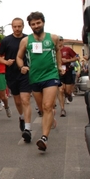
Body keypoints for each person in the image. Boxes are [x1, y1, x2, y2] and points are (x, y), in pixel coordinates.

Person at [16, 11, 64, 151]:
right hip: (35, 77)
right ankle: (50, 119)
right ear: (30, 26)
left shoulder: (53, 38)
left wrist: (60, 66)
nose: (36, 25)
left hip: (51, 75)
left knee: (48, 106)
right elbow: (19, 57)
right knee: (43, 109)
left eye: (38, 23)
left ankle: (44, 138)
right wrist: (22, 66)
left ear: (43, 22)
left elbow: (57, 51)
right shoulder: (26, 41)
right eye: (33, 24)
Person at [0, 18, 33, 142]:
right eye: (14, 26)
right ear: (12, 27)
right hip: (11, 74)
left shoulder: (28, 39)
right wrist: (6, 62)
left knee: (25, 99)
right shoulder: (6, 40)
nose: (17, 29)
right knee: (18, 102)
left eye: (19, 26)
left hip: (25, 73)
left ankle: (27, 128)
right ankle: (22, 117)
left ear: (23, 26)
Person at [57, 36, 77, 116]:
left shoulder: (67, 49)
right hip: (59, 72)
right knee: (61, 90)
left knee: (67, 91)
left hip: (68, 71)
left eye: (60, 40)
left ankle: (68, 95)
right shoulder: (54, 50)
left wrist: (68, 60)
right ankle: (62, 109)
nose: (59, 42)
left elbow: (77, 57)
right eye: (57, 40)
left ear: (63, 41)